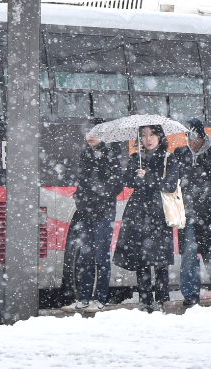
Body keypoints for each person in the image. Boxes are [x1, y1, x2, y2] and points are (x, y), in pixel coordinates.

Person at [118, 125, 180, 312]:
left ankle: (162, 300)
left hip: (159, 212)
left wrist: (149, 177)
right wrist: (138, 174)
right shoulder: (135, 158)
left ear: (159, 137)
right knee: (141, 258)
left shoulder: (169, 158)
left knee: (160, 260)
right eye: (144, 136)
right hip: (138, 212)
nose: (148, 139)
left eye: (152, 135)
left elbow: (170, 185)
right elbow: (128, 180)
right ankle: (145, 300)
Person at [62, 132, 123, 312]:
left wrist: (99, 195)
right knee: (85, 257)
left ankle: (100, 299)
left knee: (101, 257)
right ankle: (84, 298)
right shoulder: (85, 154)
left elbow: (117, 185)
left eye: (96, 133)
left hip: (103, 212)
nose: (91, 136)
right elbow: (82, 181)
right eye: (89, 132)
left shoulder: (111, 153)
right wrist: (80, 199)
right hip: (86, 212)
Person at [174, 118, 211, 308]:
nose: (190, 141)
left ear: (202, 136)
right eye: (187, 136)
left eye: (194, 137)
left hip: (209, 213)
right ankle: (190, 293)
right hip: (188, 212)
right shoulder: (180, 153)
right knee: (189, 253)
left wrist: (200, 170)